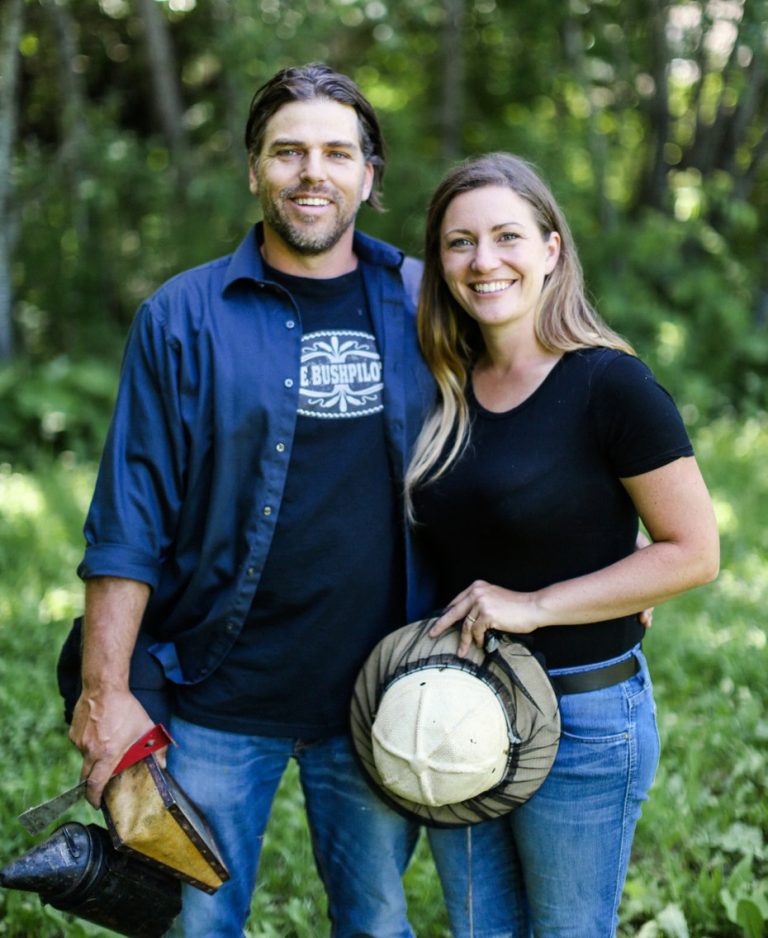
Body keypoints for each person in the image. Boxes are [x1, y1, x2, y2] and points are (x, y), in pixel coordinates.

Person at [68, 63, 439, 937]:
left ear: (369, 175)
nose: (313, 171)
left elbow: (542, 405)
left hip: (382, 700)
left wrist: (607, 552)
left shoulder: (427, 300)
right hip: (216, 698)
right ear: (254, 169)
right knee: (196, 926)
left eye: (337, 152)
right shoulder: (182, 316)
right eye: (289, 152)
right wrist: (105, 692)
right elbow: (129, 514)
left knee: (379, 923)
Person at [404, 153, 720, 937]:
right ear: (439, 263)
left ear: (552, 250)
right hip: (453, 712)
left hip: (580, 718)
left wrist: (537, 605)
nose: (484, 261)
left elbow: (693, 550)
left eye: (507, 236)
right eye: (459, 243)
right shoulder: (443, 388)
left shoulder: (610, 385)